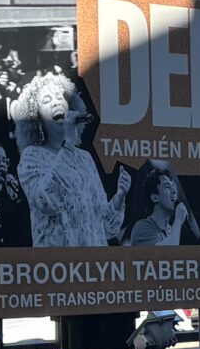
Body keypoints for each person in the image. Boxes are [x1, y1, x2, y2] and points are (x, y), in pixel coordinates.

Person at [10, 72, 131, 248]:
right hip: (59, 263)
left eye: (60, 97)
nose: (56, 102)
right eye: (47, 100)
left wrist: (119, 196)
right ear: (36, 119)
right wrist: (68, 144)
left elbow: (106, 228)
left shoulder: (85, 158)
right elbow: (47, 202)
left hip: (93, 261)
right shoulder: (32, 157)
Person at [125, 162, 192, 245]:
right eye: (167, 186)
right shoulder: (142, 227)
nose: (174, 191)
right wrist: (178, 220)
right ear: (155, 197)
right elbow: (168, 252)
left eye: (173, 186)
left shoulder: (170, 231)